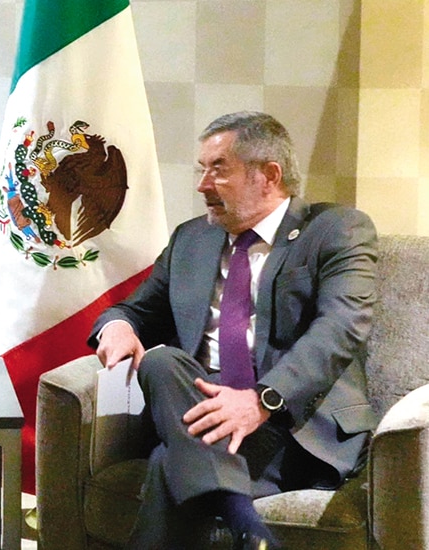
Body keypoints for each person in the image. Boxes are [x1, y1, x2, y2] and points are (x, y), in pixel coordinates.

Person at [89, 111, 377, 550]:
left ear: (268, 175)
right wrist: (118, 326)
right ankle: (247, 524)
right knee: (163, 361)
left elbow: (341, 328)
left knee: (170, 462)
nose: (202, 184)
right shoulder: (191, 240)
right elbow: (134, 310)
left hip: (292, 423)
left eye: (218, 168)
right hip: (202, 410)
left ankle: (230, 504)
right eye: (201, 169)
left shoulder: (336, 229)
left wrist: (261, 400)